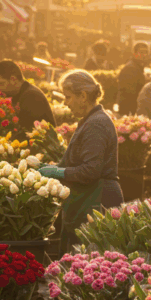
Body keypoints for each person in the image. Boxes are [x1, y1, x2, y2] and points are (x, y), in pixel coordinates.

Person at [38, 71, 123, 251]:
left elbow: (90, 171)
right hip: (88, 199)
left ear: (83, 96)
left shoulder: (96, 124)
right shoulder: (90, 120)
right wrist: (51, 169)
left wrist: (57, 172)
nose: (65, 103)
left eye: (68, 97)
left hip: (96, 201)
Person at [0, 60, 56, 134]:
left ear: (13, 79)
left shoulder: (31, 96)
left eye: (2, 83)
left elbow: (27, 132)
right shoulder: (19, 93)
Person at [117, 42, 150, 115]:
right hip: (129, 110)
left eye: (146, 52)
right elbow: (130, 94)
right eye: (141, 52)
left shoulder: (139, 67)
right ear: (134, 53)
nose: (144, 55)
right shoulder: (130, 68)